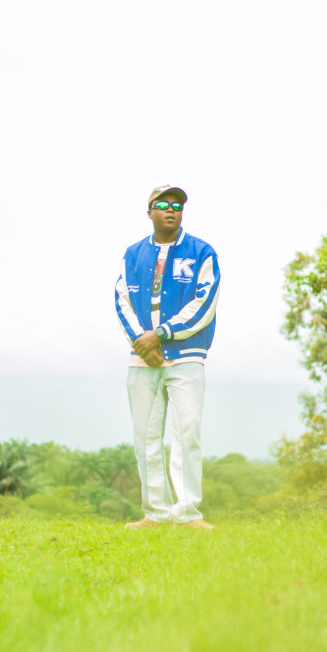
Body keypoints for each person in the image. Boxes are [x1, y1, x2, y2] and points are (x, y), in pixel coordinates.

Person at [115, 184, 220, 530]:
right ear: (149, 213)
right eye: (162, 204)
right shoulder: (132, 254)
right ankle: (155, 514)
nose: (171, 209)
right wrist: (141, 342)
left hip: (187, 356)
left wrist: (160, 335)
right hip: (142, 359)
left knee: (187, 432)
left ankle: (188, 514)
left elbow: (204, 303)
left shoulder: (202, 251)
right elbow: (121, 301)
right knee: (144, 436)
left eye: (177, 205)